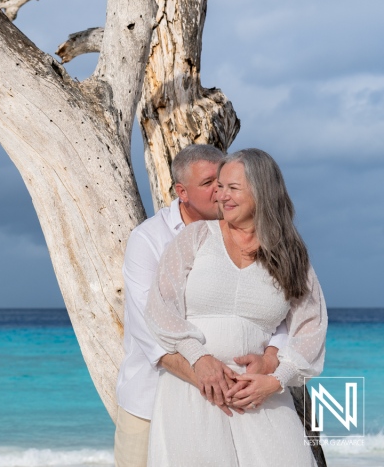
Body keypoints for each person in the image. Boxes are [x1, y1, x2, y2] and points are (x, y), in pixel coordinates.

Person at [144, 148, 327, 466]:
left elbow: (311, 327)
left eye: (233, 188)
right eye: (219, 187)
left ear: (262, 191)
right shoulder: (196, 237)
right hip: (192, 393)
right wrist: (199, 359)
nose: (222, 196)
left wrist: (276, 379)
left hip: (260, 396)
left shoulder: (291, 254)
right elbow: (161, 307)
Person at [114, 144, 286, 467]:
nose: (220, 192)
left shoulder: (251, 234)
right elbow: (148, 329)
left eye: (224, 182)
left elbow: (281, 311)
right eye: (209, 184)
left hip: (228, 406)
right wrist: (206, 376)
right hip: (150, 403)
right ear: (182, 192)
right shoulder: (148, 240)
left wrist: (272, 357)